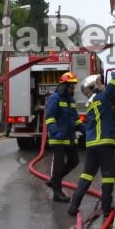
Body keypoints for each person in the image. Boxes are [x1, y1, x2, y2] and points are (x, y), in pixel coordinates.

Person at [68, 64, 115, 218]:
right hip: (104, 143)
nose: (103, 84)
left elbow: (111, 113)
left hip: (92, 146)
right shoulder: (103, 98)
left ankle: (73, 206)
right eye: (100, 82)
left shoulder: (92, 104)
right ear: (95, 87)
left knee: (86, 176)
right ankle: (106, 209)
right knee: (108, 176)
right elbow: (112, 88)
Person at [44, 72, 85, 202]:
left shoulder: (71, 100)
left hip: (70, 137)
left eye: (74, 87)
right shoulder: (55, 98)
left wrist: (85, 131)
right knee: (58, 164)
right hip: (58, 138)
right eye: (71, 86)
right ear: (64, 86)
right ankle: (57, 192)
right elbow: (49, 117)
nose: (73, 89)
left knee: (74, 161)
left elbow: (76, 118)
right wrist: (55, 132)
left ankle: (54, 180)